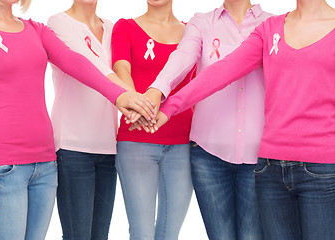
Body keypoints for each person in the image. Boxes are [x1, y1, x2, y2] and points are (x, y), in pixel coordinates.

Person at [153, 0, 335, 239]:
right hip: (270, 168)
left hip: (322, 168)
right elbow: (223, 70)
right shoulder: (270, 28)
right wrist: (168, 108)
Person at [0, 0, 154, 239]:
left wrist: (120, 95)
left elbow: (75, 62)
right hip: (2, 167)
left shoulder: (36, 30)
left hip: (45, 165)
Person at [134, 1, 271, 239]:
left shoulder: (272, 25)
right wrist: (156, 91)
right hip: (208, 155)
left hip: (259, 156)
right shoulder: (201, 22)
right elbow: (182, 57)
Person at [111, 0, 195, 239]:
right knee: (142, 233)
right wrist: (140, 108)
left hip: (183, 145)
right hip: (136, 142)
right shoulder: (125, 27)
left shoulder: (192, 32)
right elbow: (121, 71)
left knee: (170, 233)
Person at [47, 0, 130, 239]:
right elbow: (91, 68)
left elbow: (125, 70)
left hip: (107, 146)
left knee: (100, 235)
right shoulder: (59, 23)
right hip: (72, 147)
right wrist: (136, 100)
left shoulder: (113, 28)